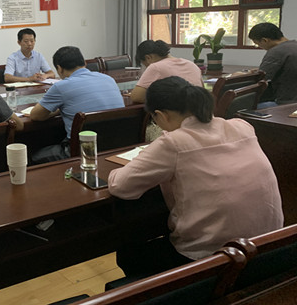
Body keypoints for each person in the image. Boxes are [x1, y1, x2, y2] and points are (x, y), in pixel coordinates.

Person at [108, 76, 283, 279]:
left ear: (161, 115)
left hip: (214, 258)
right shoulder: (242, 126)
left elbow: (120, 186)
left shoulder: (173, 143)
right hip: (270, 247)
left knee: (128, 253)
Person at [29, 46, 125, 163]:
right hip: (117, 145)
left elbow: (35, 115)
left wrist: (59, 109)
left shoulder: (61, 86)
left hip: (81, 151)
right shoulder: (109, 79)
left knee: (32, 156)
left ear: (59, 69)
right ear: (84, 63)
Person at [130, 40, 203, 104]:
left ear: (148, 58)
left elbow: (136, 97)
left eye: (145, 65)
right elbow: (202, 90)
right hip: (200, 111)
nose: (147, 68)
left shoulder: (155, 67)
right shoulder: (192, 64)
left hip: (178, 113)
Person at [248, 22, 297, 105]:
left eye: (257, 44)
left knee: (239, 107)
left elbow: (261, 78)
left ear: (264, 40)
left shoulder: (276, 51)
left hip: (287, 103)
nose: (260, 47)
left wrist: (244, 74)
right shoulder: (294, 45)